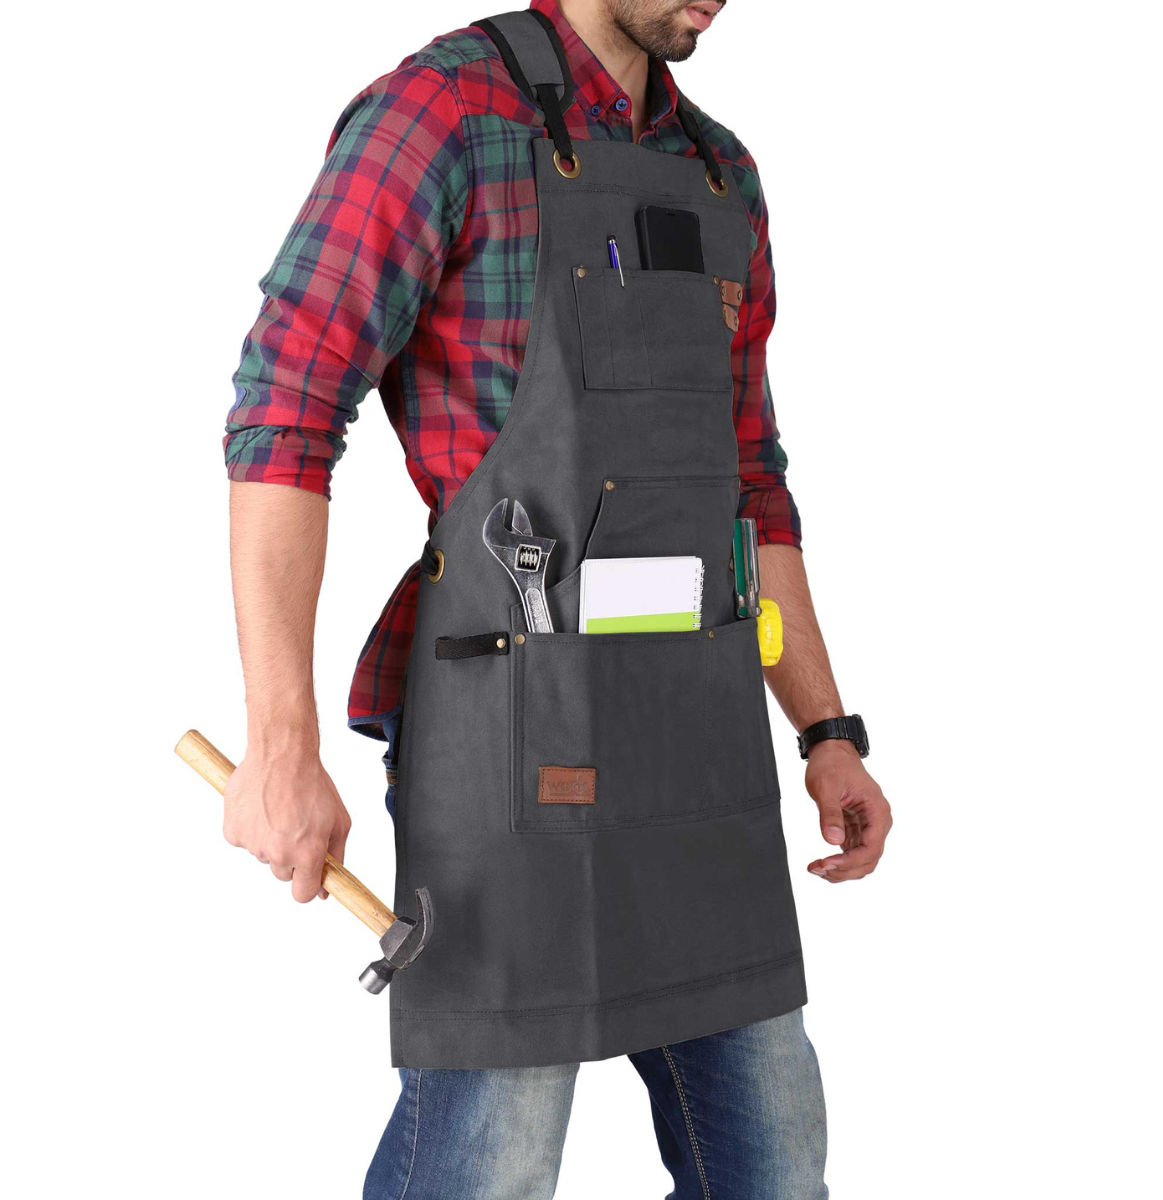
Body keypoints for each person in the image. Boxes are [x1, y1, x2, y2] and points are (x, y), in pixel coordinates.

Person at [221, 1, 893, 1195]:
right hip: (512, 742)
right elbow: (285, 413)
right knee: (496, 1159)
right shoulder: (443, 116)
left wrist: (826, 730)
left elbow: (750, 482)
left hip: (699, 751)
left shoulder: (720, 171)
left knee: (776, 1164)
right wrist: (282, 745)